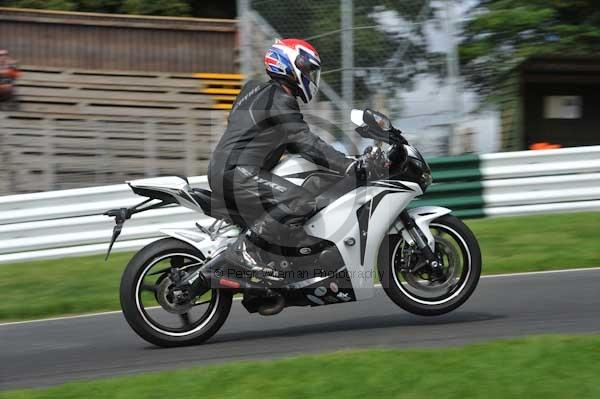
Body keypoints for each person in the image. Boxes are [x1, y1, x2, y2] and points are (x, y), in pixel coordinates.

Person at [208, 38, 354, 273]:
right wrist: (347, 165)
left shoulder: (253, 90)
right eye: (307, 69)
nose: (310, 75)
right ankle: (247, 251)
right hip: (239, 173)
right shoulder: (281, 100)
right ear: (288, 65)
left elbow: (285, 139)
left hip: (225, 168)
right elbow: (305, 141)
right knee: (300, 200)